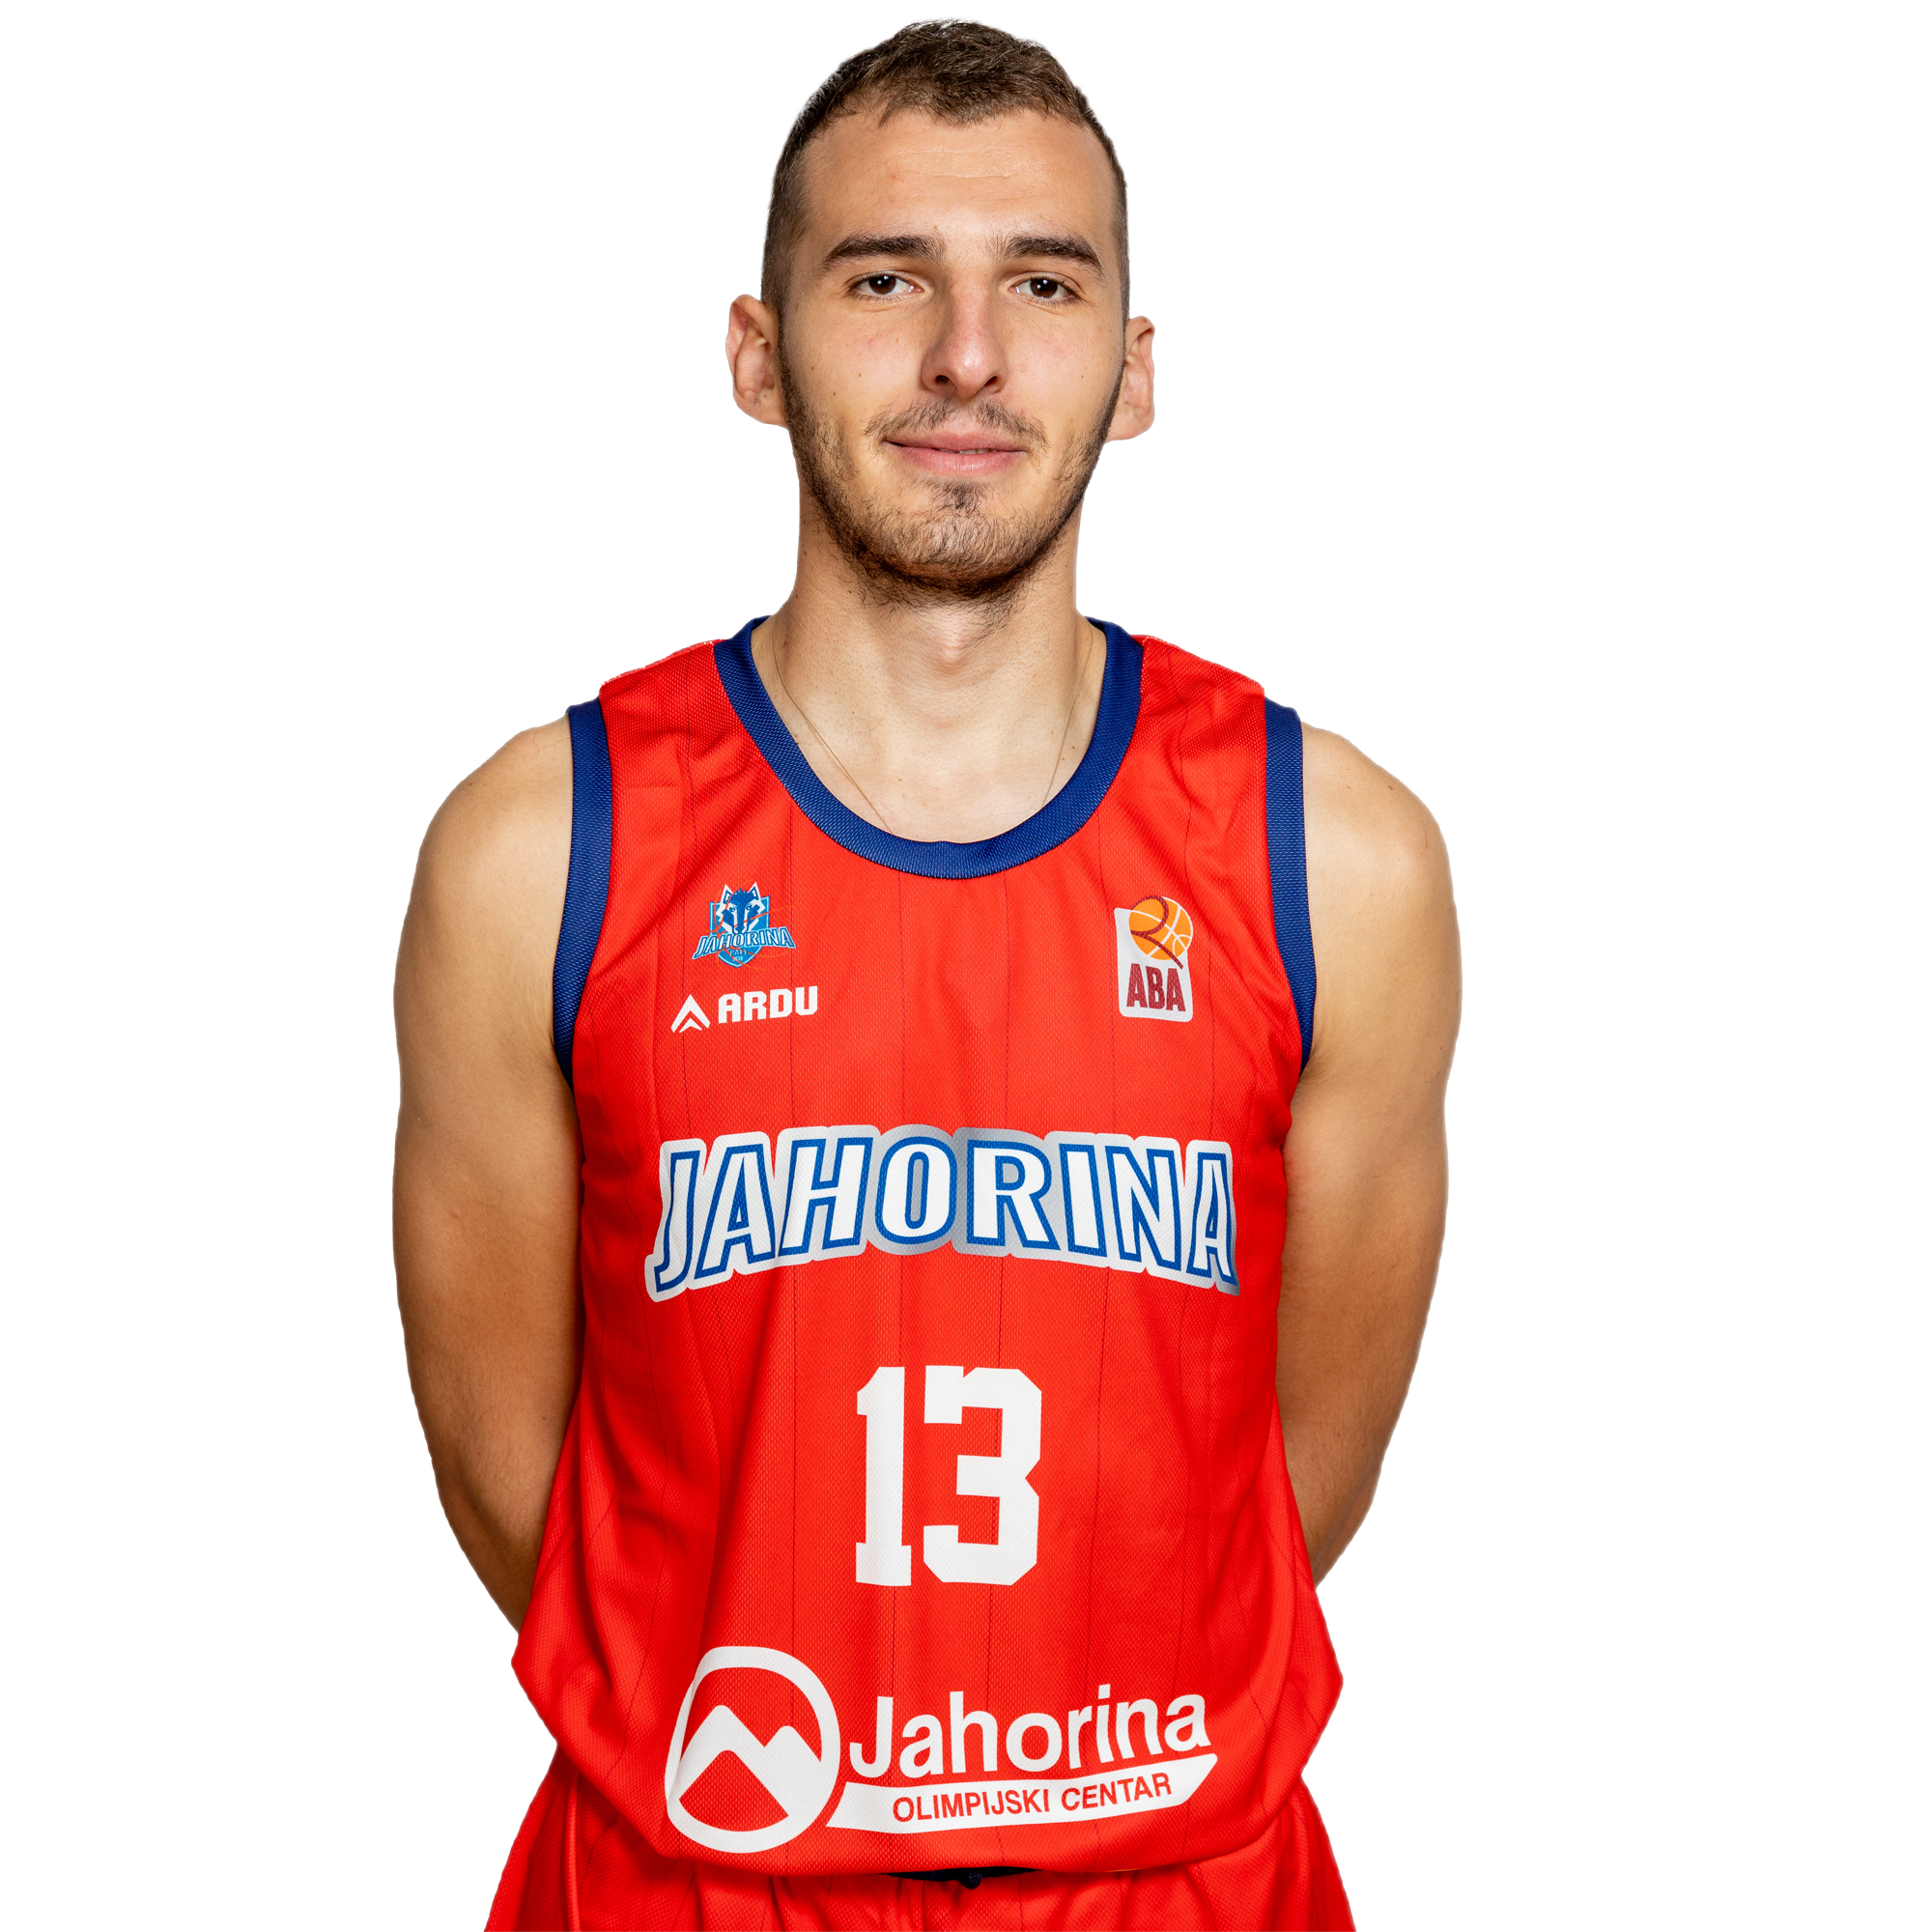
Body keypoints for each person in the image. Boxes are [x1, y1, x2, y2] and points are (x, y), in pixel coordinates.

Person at [394, 18, 1459, 1930]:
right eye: (884, 279)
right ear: (758, 352)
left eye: (1042, 284)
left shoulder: (1338, 863)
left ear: (1131, 367)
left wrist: (1065, 1737)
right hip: (694, 1872)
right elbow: (504, 1469)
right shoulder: (539, 852)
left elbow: (1303, 1466)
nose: (967, 355)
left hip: (1168, 1875)